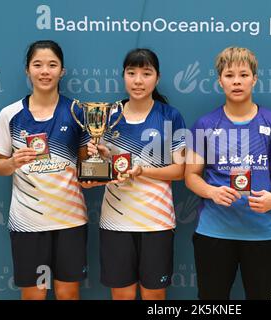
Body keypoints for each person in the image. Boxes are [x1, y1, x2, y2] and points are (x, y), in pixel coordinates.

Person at [185, 47, 271, 300]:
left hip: (263, 232)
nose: (236, 81)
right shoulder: (205, 124)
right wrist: (212, 191)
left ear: (254, 79)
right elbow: (191, 175)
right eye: (229, 75)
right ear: (219, 81)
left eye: (244, 75)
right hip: (214, 232)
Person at [0, 40, 89, 300]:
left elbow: (85, 165)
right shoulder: (9, 114)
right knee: (34, 295)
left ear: (62, 71)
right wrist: (12, 162)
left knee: (68, 293)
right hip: (28, 222)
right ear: (27, 70)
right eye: (38, 65)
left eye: (52, 65)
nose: (45, 71)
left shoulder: (77, 111)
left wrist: (95, 167)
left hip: (70, 220)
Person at [84, 48, 186, 300]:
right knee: (122, 297)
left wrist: (142, 171)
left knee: (154, 297)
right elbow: (103, 169)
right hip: (115, 222)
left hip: (156, 221)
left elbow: (181, 171)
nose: (138, 80)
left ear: (157, 78)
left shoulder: (170, 116)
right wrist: (99, 158)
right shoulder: (107, 116)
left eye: (146, 73)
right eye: (131, 73)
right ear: (123, 76)